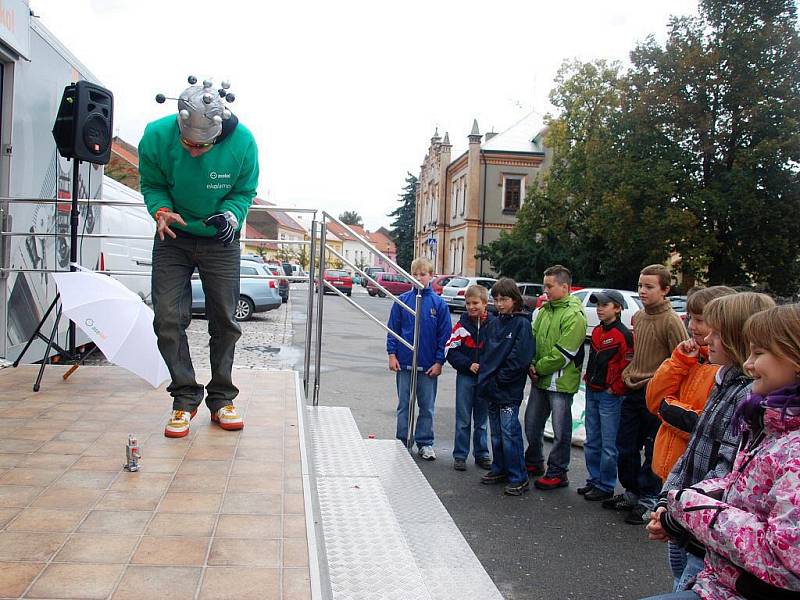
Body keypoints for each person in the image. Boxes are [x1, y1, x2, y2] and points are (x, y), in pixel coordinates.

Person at [643, 303, 800, 600]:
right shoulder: (771, 420)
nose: (750, 364)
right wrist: (674, 501)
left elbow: (785, 559)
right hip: (719, 568)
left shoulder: (775, 426)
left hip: (727, 573)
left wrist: (688, 507)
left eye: (760, 353)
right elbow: (736, 481)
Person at [139, 77, 259, 438]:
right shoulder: (156, 136)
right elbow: (152, 182)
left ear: (219, 131)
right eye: (187, 142)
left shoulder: (244, 142)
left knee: (225, 320)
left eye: (202, 145)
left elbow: (244, 190)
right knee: (167, 320)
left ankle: (222, 397)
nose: (193, 151)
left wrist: (232, 215)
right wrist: (160, 209)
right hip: (172, 235)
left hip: (220, 240)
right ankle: (184, 397)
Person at [646, 286, 736, 585]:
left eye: (701, 320)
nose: (694, 327)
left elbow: (698, 422)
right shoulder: (690, 358)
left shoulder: (725, 372)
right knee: (677, 563)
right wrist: (680, 362)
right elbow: (655, 399)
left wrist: (670, 408)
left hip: (700, 487)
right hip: (673, 474)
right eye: (692, 319)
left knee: (691, 572)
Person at [603, 265, 688, 523]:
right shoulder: (639, 317)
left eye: (649, 287)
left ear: (665, 290)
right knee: (625, 446)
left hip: (657, 396)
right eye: (641, 285)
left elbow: (682, 360)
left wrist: (667, 390)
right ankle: (632, 491)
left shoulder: (671, 320)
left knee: (653, 451)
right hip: (634, 390)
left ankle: (648, 497)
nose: (643, 291)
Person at [524, 265, 587, 490]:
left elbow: (564, 353)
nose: (545, 290)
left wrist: (538, 367)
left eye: (549, 286)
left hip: (560, 383)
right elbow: (532, 339)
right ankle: (534, 461)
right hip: (540, 379)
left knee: (561, 431)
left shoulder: (575, 315)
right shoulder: (544, 311)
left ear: (564, 287)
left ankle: (558, 471)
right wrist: (531, 363)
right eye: (545, 286)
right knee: (532, 424)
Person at [386, 257, 451, 460]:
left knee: (426, 406)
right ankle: (402, 440)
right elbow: (393, 329)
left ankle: (425, 442)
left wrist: (439, 362)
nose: (418, 278)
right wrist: (392, 354)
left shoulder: (439, 304)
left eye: (423, 274)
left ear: (431, 276)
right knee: (404, 404)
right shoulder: (402, 301)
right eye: (414, 274)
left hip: (428, 365)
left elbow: (445, 335)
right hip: (404, 363)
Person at [477, 278, 536, 496]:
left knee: (510, 432)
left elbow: (519, 359)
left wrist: (500, 379)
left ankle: (518, 477)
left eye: (505, 299)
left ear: (515, 300)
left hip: (508, 389)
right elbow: (488, 353)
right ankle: (500, 468)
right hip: (491, 386)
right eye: (497, 299)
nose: (500, 304)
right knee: (497, 433)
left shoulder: (522, 324)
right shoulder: (494, 321)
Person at [579, 290, 633, 502]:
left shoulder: (623, 334)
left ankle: (606, 484)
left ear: (617, 308)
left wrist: (615, 388)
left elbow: (627, 364)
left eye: (605, 305)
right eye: (598, 305)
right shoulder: (597, 332)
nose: (600, 308)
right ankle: (594, 479)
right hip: (593, 390)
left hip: (609, 395)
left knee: (608, 444)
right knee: (592, 440)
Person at [445, 285, 495, 471]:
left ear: (485, 303)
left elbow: (497, 351)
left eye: (476, 303)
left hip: (485, 378)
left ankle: (482, 454)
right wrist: (468, 364)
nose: (471, 307)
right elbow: (451, 351)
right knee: (463, 419)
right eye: (468, 303)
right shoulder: (460, 327)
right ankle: (460, 455)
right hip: (465, 377)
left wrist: (487, 367)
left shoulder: (493, 325)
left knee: (482, 420)